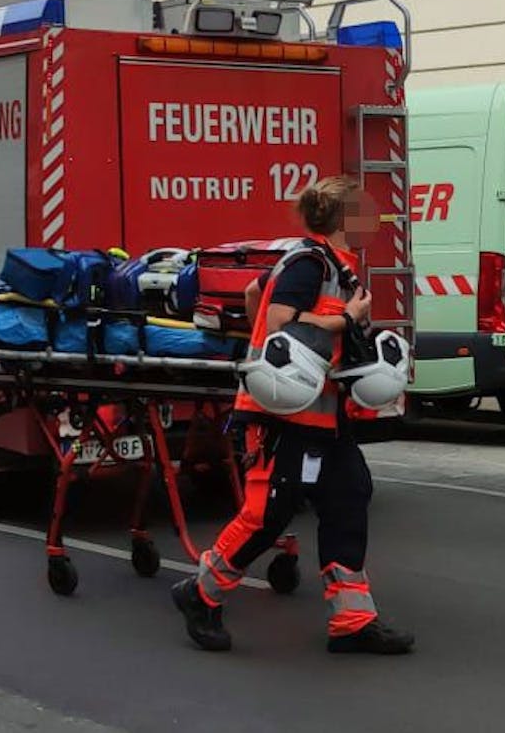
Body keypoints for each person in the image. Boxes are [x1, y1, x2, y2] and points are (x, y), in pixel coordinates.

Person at [172, 176, 415, 656]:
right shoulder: (310, 263)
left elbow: (252, 297)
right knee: (267, 515)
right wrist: (343, 320)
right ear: (347, 219)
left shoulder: (331, 267)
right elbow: (281, 318)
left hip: (324, 416)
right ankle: (200, 594)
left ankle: (352, 621)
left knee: (349, 497)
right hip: (281, 417)